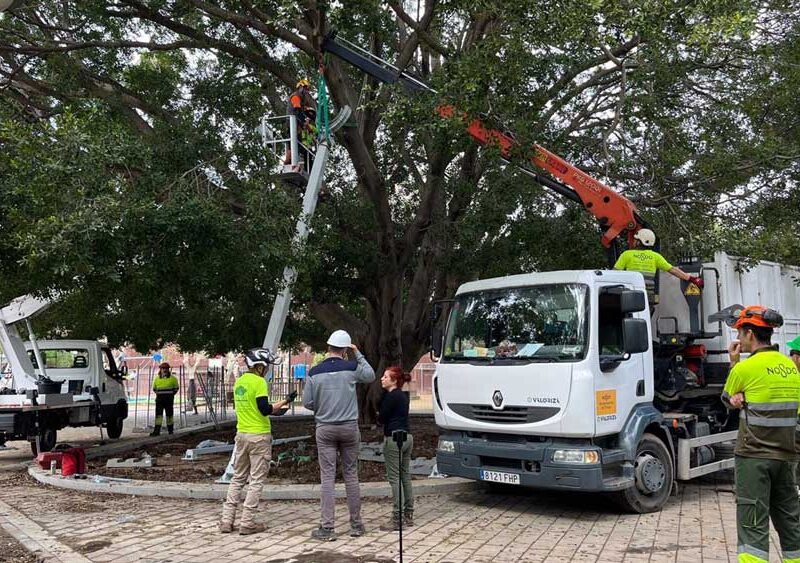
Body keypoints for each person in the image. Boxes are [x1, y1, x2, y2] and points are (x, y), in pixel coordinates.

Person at [721, 305, 800, 563]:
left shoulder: (745, 369)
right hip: (787, 458)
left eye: (740, 334)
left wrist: (733, 364)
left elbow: (726, 398)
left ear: (750, 334)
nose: (738, 340)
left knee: (752, 525)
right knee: (791, 524)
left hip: (754, 457)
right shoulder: (791, 368)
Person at [303, 329, 375, 540]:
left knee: (327, 478)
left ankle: (327, 528)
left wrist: (322, 406)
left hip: (325, 428)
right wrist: (358, 354)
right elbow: (370, 375)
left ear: (328, 348)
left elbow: (307, 402)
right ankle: (356, 524)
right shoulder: (352, 367)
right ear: (345, 350)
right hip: (349, 428)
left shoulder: (314, 372)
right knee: (351, 475)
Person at [218, 347, 295, 535]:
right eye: (266, 365)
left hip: (241, 435)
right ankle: (247, 522)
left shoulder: (239, 382)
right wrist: (285, 401)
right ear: (259, 366)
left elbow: (251, 407)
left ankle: (227, 521)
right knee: (256, 480)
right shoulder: (259, 382)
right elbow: (264, 409)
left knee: (237, 478)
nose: (267, 368)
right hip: (259, 436)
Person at [613, 228, 704, 305]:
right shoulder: (655, 257)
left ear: (639, 242)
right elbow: (672, 270)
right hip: (647, 297)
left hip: (630, 295)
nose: (633, 241)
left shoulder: (627, 255)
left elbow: (614, 273)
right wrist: (692, 279)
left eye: (636, 239)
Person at [377, 366, 414, 531]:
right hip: (407, 437)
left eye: (385, 377)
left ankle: (397, 517)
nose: (382, 379)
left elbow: (382, 417)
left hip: (393, 439)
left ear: (394, 380)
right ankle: (409, 513)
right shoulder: (403, 396)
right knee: (405, 475)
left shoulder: (391, 397)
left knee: (394, 478)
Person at [285, 78, 317, 163]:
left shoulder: (301, 99)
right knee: (293, 144)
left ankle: (292, 162)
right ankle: (287, 162)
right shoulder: (296, 96)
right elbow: (297, 110)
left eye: (307, 89)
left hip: (296, 124)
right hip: (292, 123)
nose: (307, 91)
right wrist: (303, 122)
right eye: (305, 88)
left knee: (296, 144)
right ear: (301, 87)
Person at [151, 362, 179, 436]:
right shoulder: (157, 379)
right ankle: (157, 431)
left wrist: (170, 394)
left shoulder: (173, 379)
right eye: (163, 368)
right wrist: (161, 394)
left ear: (168, 369)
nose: (164, 370)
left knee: (169, 415)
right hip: (159, 400)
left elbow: (176, 388)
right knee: (158, 415)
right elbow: (154, 389)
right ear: (160, 369)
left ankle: (170, 430)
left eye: (166, 368)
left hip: (169, 400)